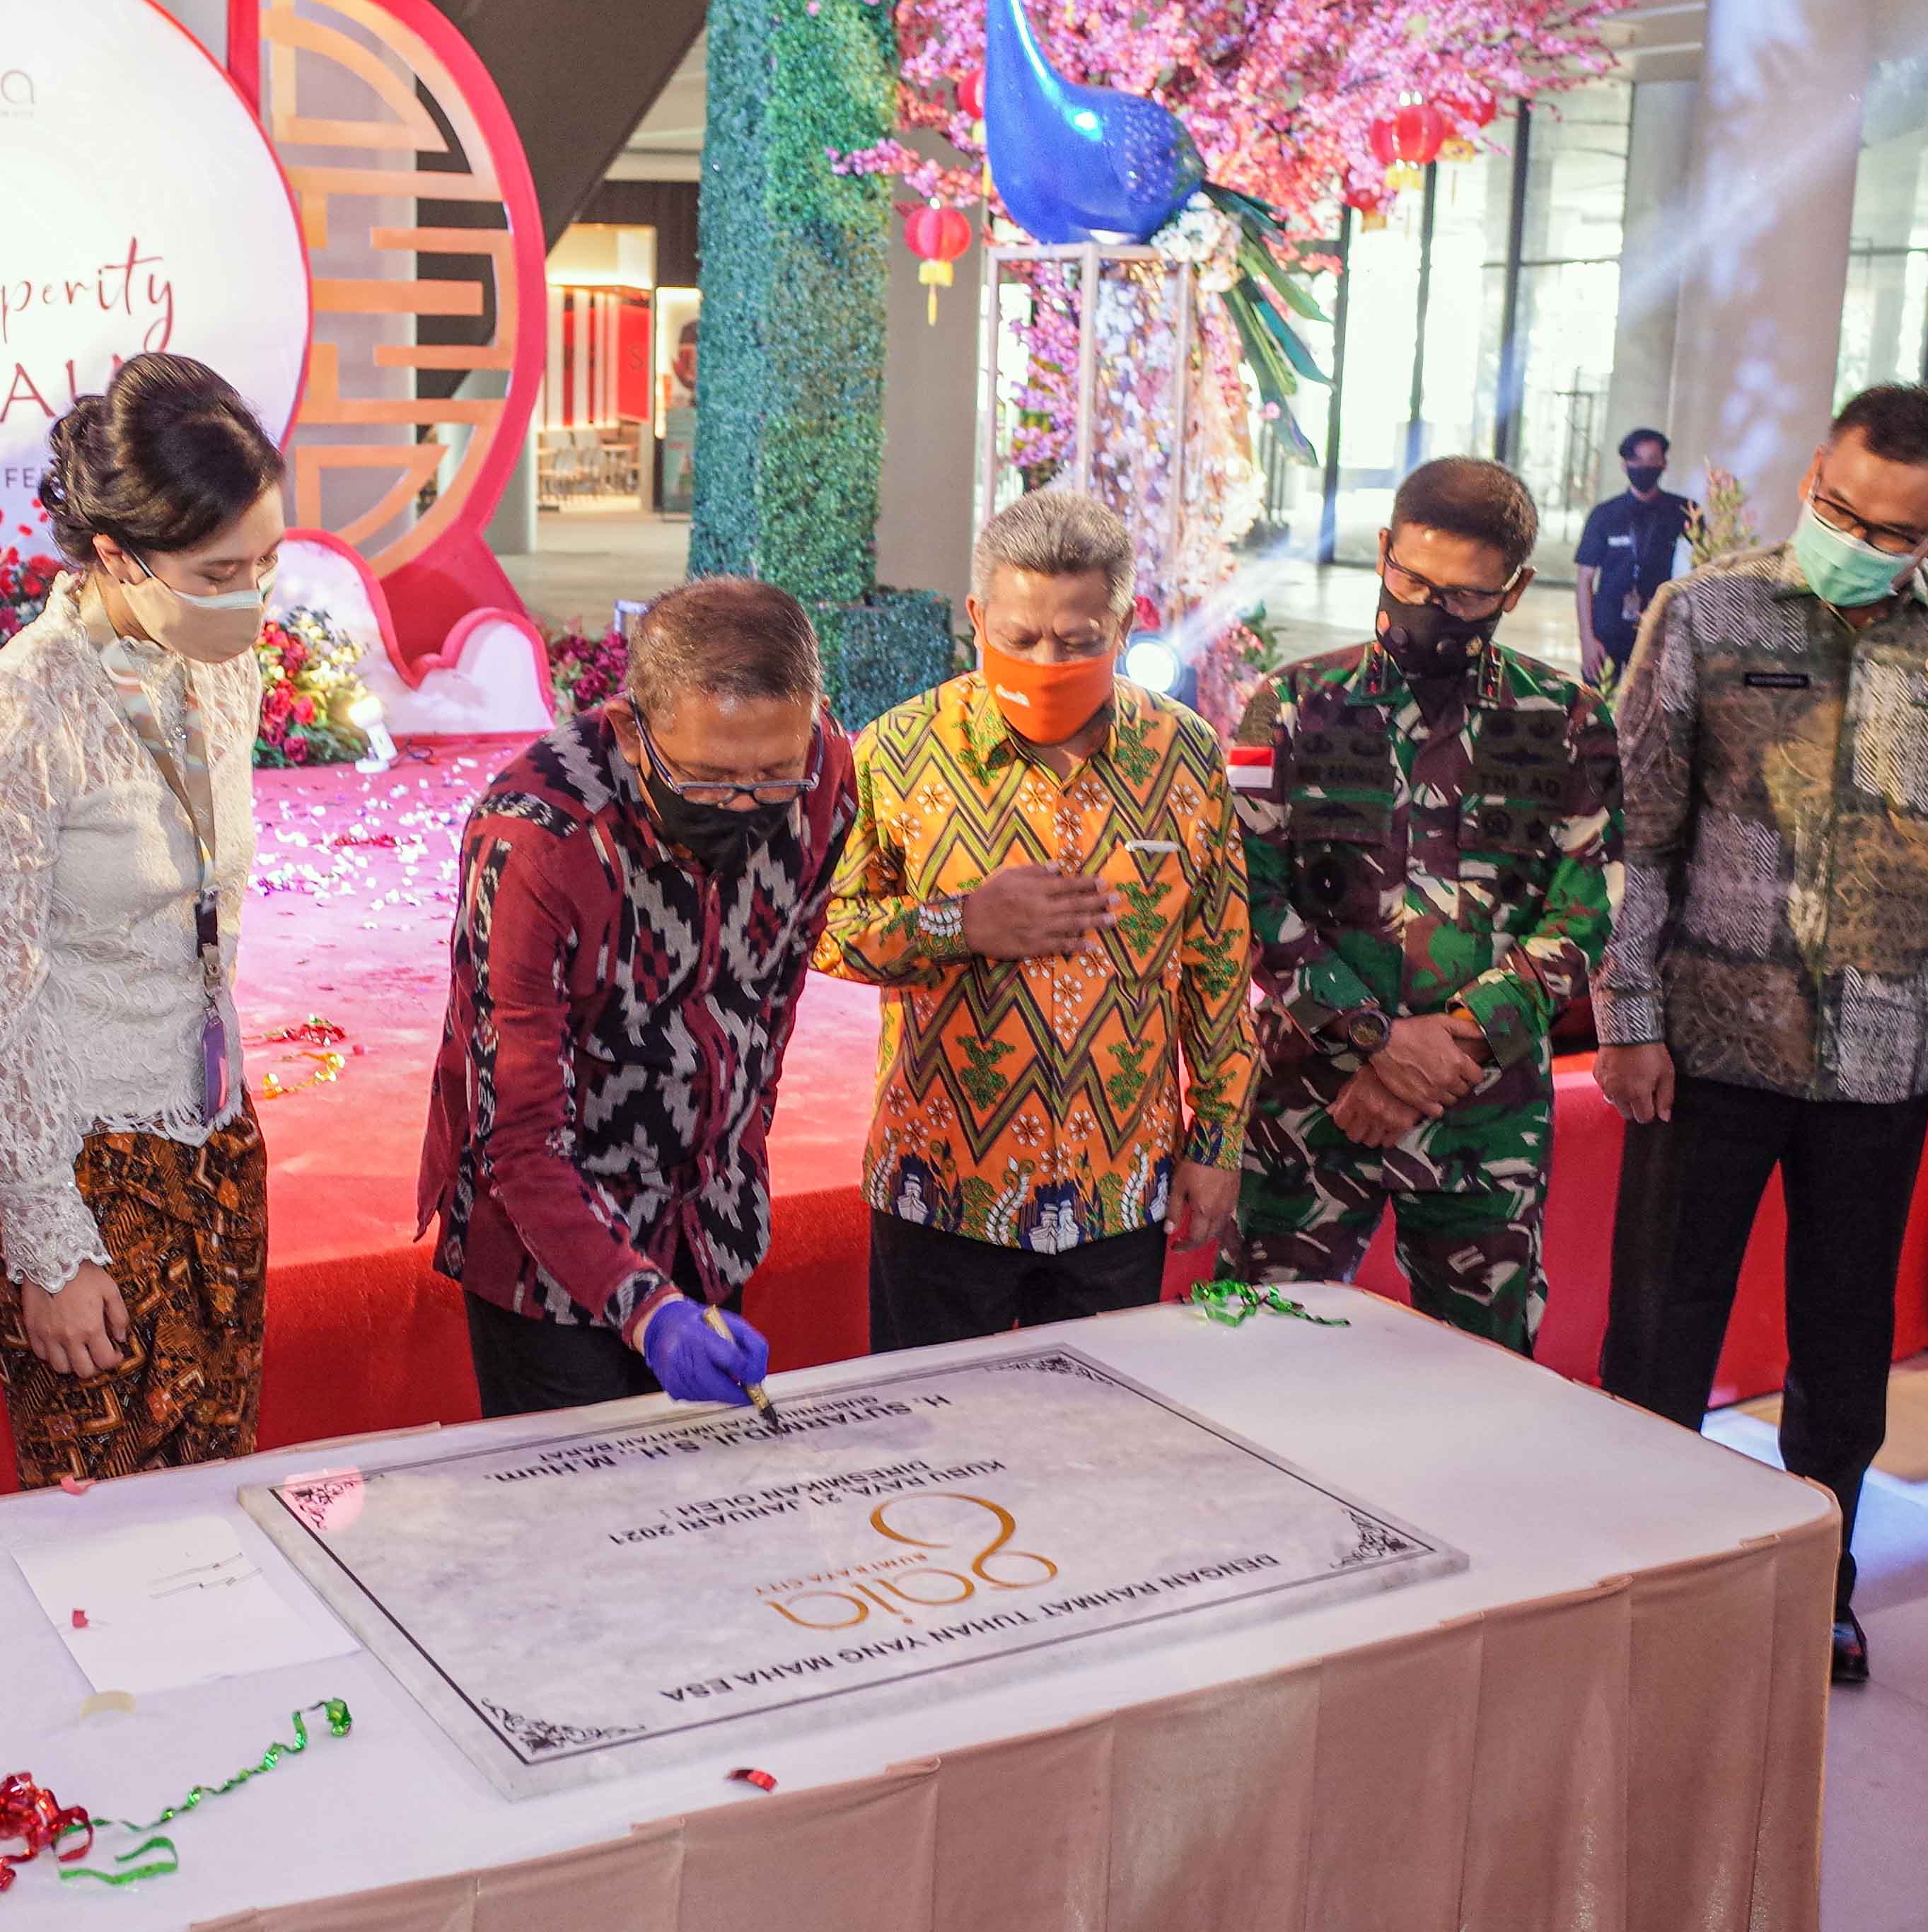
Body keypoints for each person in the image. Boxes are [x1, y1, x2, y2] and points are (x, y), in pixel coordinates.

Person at [1593, 385, 1928, 1689]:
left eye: (1894, 530)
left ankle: (1817, 1587)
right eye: (1840, 509)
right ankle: (1637, 1573)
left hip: (1880, 1056)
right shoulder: (1705, 612)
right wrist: (1628, 1016)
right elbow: (1637, 834)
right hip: (1705, 1044)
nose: (1858, 539)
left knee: (1843, 1348)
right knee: (1660, 1329)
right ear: (1811, 477)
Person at [0, 355, 283, 1486]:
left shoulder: (220, 668)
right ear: (119, 554)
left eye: (267, 561)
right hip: (79, 1157)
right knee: (105, 1519)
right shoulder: (11, 712)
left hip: (214, 1133)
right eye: (220, 571)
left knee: (220, 1490)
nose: (252, 595)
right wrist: (48, 1240)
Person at [813, 489, 1253, 1351]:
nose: (1045, 660)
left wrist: (1216, 1141)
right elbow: (822, 928)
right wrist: (959, 925)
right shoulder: (898, 750)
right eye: (1017, 639)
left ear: (1126, 624)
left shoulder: (1183, 754)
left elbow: (1218, 966)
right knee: (932, 1419)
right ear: (977, 616)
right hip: (940, 1183)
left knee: (1094, 1424)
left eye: (1077, 641)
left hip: (1118, 1188)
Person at [421, 575, 856, 1416]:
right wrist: (646, 1309)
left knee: (708, 1484)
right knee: (574, 1491)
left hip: (710, 1216)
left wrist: (735, 1152)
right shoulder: (538, 839)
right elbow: (515, 1134)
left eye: (773, 774)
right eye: (708, 778)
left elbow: (774, 999)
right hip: (549, 1247)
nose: (746, 807)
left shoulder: (822, 771)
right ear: (630, 731)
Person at [1233, 456, 1620, 1351]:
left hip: (1482, 1115)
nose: (1428, 610)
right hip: (1310, 1105)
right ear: (1383, 551)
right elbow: (1248, 894)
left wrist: (1457, 1042)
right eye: (1411, 580)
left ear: (1514, 590)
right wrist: (1374, 1041)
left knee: (1481, 1377)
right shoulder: (1285, 707)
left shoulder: (1568, 722)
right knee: (1261, 1359)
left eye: (1464, 597)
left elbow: (1586, 910)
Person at [1573, 428, 1695, 687]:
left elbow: (1701, 571)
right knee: (1598, 704)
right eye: (1637, 460)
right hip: (1608, 631)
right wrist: (1587, 639)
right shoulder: (1604, 515)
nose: (1644, 467)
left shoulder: (1684, 512)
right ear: (1624, 465)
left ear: (1664, 464)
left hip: (1661, 630)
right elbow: (1585, 580)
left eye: (1652, 460)